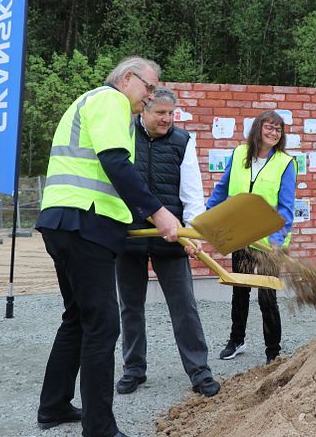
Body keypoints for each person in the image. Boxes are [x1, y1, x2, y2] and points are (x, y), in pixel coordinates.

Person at [35, 56, 181, 437]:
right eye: (149, 88)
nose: (149, 98)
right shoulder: (110, 100)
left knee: (78, 317)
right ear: (127, 78)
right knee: (102, 325)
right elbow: (116, 164)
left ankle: (53, 405)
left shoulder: (89, 103)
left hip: (63, 220)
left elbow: (104, 174)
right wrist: (159, 214)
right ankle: (99, 428)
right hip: (86, 222)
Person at [115, 86, 220, 397]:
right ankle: (134, 368)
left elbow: (191, 193)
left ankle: (200, 371)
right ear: (143, 111)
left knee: (184, 306)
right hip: (130, 234)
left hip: (171, 234)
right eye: (159, 113)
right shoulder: (124, 135)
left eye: (170, 113)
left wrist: (193, 232)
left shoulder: (182, 141)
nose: (166, 119)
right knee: (130, 306)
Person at [206, 111, 296, 365]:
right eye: (269, 127)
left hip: (270, 242)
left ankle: (273, 350)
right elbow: (222, 189)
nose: (273, 133)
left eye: (278, 130)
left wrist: (278, 239)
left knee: (266, 296)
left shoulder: (286, 162)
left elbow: (286, 207)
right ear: (258, 129)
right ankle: (236, 340)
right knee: (240, 289)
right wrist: (205, 215)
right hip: (242, 236)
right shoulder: (238, 155)